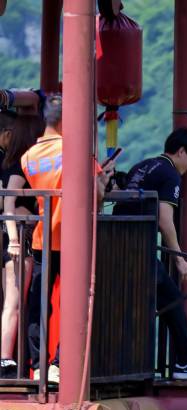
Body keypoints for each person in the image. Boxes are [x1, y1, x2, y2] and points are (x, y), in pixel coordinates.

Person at [16, 94, 113, 383]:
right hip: (73, 239)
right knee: (74, 302)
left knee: (38, 305)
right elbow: (96, 194)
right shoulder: (75, 151)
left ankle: (37, 366)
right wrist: (104, 180)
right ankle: (60, 363)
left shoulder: (28, 157)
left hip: (42, 239)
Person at [113, 128, 187, 380]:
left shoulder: (144, 165)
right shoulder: (170, 174)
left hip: (116, 242)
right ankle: (184, 362)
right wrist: (179, 258)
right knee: (172, 298)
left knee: (138, 303)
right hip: (138, 247)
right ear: (182, 152)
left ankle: (175, 360)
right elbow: (165, 219)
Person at [0, 109, 41, 376]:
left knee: (11, 302)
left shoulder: (7, 164)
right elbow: (9, 201)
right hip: (17, 242)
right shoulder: (19, 165)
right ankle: (5, 359)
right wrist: (15, 239)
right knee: (13, 303)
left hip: (10, 239)